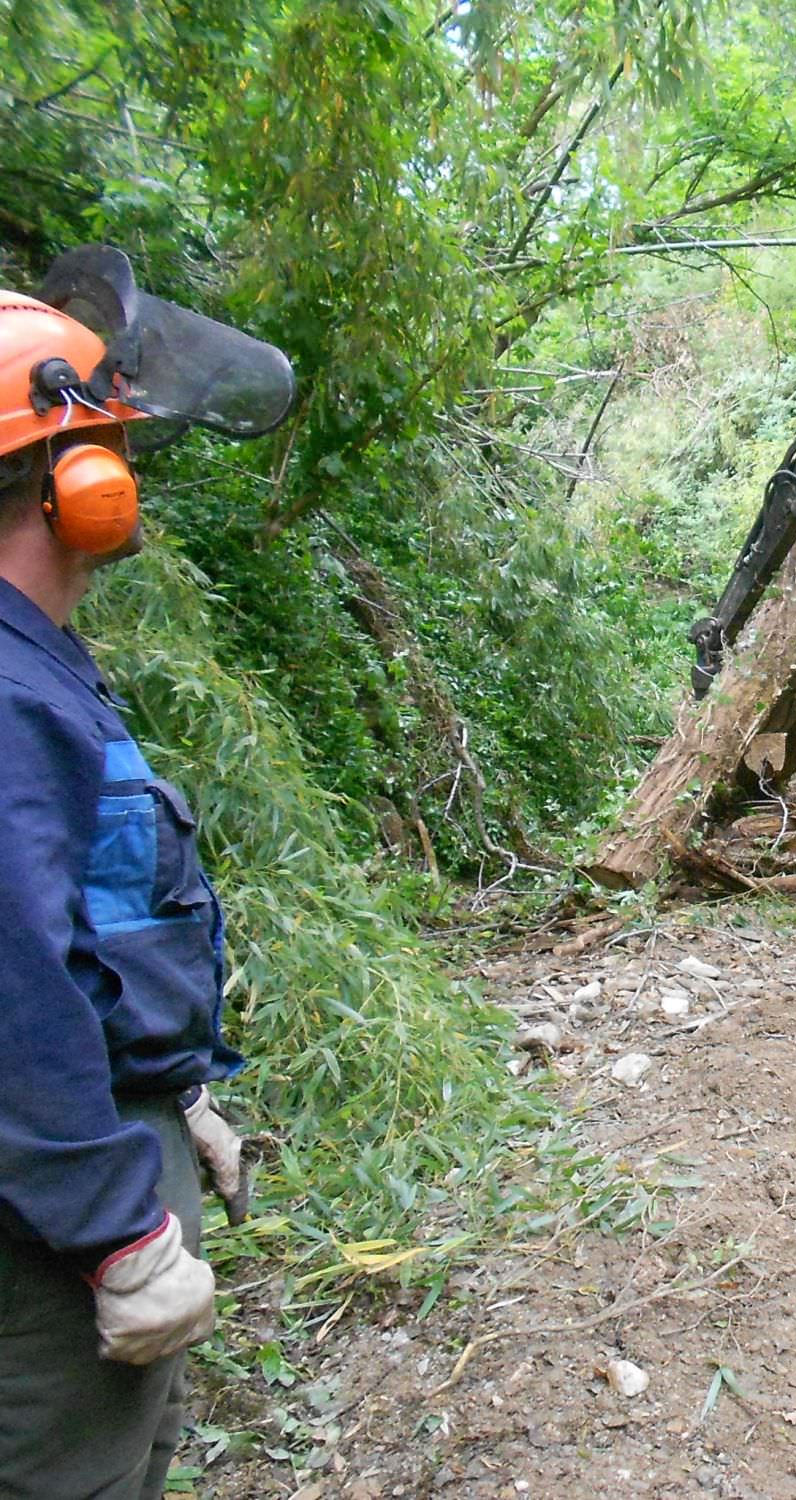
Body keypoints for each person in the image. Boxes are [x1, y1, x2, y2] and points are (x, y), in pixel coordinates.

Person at [0, 246, 293, 1499]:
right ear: (78, 479)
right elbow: (13, 990)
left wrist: (174, 1094)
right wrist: (117, 1230)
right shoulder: (9, 697)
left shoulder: (37, 663)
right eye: (107, 444)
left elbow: (79, 922)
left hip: (95, 1162)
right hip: (54, 1230)